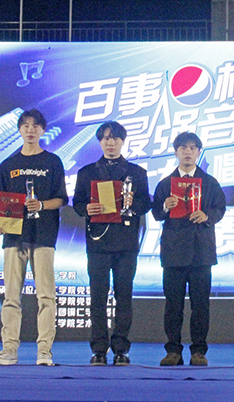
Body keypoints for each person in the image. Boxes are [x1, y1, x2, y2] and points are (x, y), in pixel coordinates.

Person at [0, 109, 68, 366]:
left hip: (44, 235)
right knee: (11, 296)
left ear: (43, 130)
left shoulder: (53, 162)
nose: (30, 130)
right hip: (14, 237)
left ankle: (44, 351)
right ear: (20, 130)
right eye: (25, 125)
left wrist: (42, 205)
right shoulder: (8, 165)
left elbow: (61, 199)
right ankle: (9, 350)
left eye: (35, 126)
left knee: (46, 296)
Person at [72, 121, 151, 366]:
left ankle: (121, 349)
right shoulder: (87, 172)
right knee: (97, 297)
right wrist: (87, 208)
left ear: (123, 142)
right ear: (99, 142)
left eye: (115, 138)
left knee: (123, 296)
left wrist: (130, 206)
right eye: (106, 138)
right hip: (98, 241)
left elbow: (145, 204)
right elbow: (77, 203)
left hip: (126, 243)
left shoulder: (137, 173)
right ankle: (98, 349)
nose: (110, 142)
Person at [152, 132, 226, 367]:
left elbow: (220, 208)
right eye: (183, 148)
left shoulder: (210, 182)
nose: (187, 152)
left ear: (198, 152)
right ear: (176, 152)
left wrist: (207, 215)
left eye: (192, 148)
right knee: (173, 305)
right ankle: (173, 350)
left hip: (201, 252)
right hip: (173, 251)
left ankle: (198, 351)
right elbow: (155, 213)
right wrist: (166, 206)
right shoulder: (166, 184)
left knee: (200, 305)